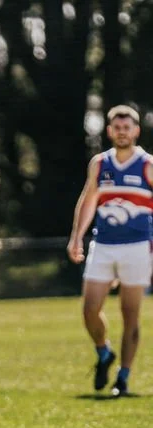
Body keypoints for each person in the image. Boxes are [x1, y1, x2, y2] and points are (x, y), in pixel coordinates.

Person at [67, 104, 153, 397]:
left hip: (138, 246)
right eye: (117, 127)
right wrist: (77, 236)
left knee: (130, 313)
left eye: (127, 127)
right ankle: (104, 352)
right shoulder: (100, 163)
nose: (122, 132)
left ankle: (124, 377)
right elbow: (89, 199)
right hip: (103, 244)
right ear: (109, 131)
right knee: (90, 308)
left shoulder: (147, 164)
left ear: (136, 131)